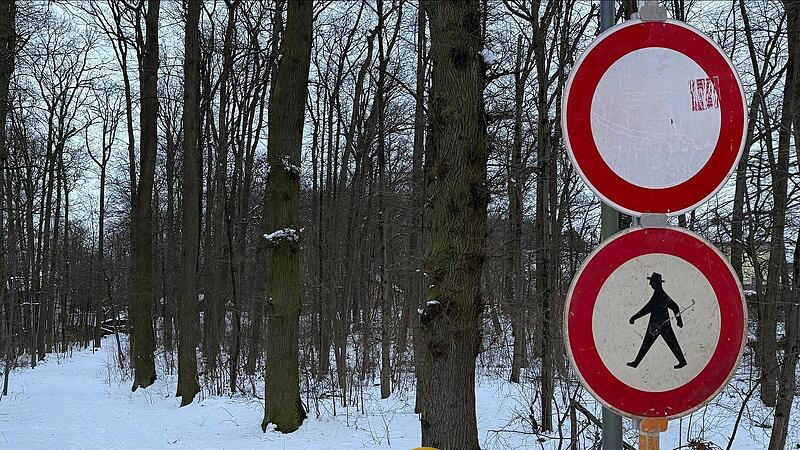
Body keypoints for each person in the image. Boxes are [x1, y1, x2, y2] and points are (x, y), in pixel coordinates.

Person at [627, 272, 687, 369]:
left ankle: (636, 363)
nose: (650, 284)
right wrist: (679, 320)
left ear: (656, 283)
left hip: (657, 326)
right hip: (660, 325)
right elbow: (649, 308)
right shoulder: (659, 294)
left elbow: (647, 309)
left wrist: (679, 320)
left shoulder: (660, 295)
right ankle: (682, 362)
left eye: (651, 282)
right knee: (669, 343)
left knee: (648, 343)